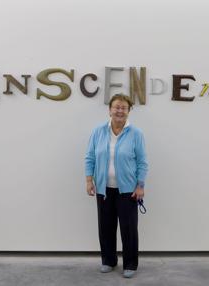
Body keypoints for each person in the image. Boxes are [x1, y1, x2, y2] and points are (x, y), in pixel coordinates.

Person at [84, 94, 148, 279]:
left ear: (129, 111)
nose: (120, 111)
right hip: (104, 189)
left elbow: (143, 162)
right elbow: (90, 158)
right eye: (116, 107)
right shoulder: (98, 131)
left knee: (128, 228)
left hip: (128, 190)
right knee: (105, 226)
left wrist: (140, 185)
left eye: (124, 108)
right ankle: (108, 260)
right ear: (110, 110)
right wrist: (89, 180)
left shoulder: (136, 134)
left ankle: (130, 264)